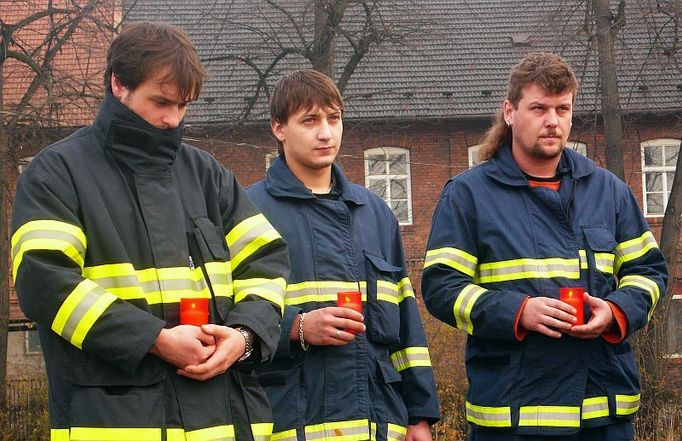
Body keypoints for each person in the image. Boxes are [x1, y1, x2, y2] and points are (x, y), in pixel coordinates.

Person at [11, 22, 289, 441]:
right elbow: (44, 281)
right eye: (160, 102)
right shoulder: (57, 172)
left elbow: (266, 262)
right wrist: (153, 339)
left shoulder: (206, 173)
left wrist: (244, 335)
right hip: (115, 421)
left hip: (227, 420)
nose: (172, 119)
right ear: (118, 85)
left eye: (183, 105)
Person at [421, 52, 667, 440]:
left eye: (562, 109)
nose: (553, 121)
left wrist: (616, 311)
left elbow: (649, 273)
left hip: (603, 415)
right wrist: (518, 312)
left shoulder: (608, 191)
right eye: (538, 108)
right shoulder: (469, 195)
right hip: (513, 417)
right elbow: (440, 288)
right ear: (509, 111)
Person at [247, 69, 440, 441]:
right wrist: (296, 328)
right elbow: (225, 319)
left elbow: (406, 328)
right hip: (287, 423)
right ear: (278, 128)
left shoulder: (376, 214)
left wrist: (420, 415)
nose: (325, 133)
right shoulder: (248, 211)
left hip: (379, 424)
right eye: (309, 121)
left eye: (333, 119)